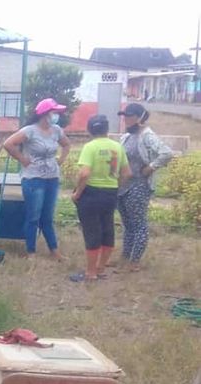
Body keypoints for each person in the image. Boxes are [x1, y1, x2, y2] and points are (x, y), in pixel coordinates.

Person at [2, 98, 72, 260]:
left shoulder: (56, 130)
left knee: (47, 217)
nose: (57, 115)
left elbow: (67, 144)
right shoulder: (30, 131)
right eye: (54, 112)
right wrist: (22, 159)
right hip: (34, 179)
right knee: (33, 217)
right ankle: (31, 252)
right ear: (44, 114)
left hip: (52, 178)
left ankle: (54, 251)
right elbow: (8, 144)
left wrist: (61, 159)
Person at [69, 115, 131, 282]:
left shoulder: (90, 147)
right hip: (110, 193)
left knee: (92, 232)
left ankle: (90, 273)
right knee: (107, 229)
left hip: (91, 193)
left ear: (89, 130)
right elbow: (127, 173)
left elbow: (84, 173)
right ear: (106, 129)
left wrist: (77, 193)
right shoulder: (117, 147)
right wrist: (115, 185)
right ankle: (101, 268)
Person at [116, 103, 173, 272]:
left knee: (138, 224)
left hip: (139, 185)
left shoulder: (147, 136)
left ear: (140, 118)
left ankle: (134, 262)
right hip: (124, 185)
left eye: (130, 116)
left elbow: (167, 153)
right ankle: (125, 257)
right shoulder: (126, 136)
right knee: (127, 224)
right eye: (125, 116)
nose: (126, 119)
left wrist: (151, 167)